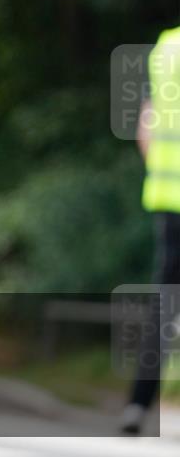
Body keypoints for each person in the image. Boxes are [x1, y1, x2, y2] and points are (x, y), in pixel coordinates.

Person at [122, 26, 180, 434]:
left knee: (165, 305)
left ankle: (138, 406)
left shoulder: (167, 47)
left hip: (167, 198)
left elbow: (146, 126)